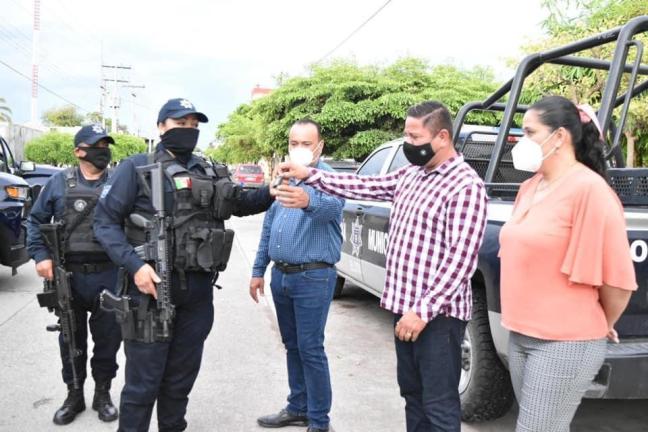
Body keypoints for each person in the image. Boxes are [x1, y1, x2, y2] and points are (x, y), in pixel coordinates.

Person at [277, 101, 488, 431]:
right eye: (406, 135)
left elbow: (460, 260)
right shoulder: (413, 175)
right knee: (413, 395)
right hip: (405, 311)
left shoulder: (464, 186)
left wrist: (422, 311)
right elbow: (364, 186)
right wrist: (310, 175)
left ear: (442, 137)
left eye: (414, 137)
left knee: (438, 404)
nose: (408, 144)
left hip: (436, 317)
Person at [93, 98, 275, 432]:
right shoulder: (136, 167)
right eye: (180, 124)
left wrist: (271, 191)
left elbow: (240, 202)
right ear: (161, 127)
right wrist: (135, 266)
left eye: (194, 125)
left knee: (180, 382)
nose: (189, 130)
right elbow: (104, 223)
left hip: (197, 295)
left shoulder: (208, 169)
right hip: (149, 293)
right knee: (142, 386)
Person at [499, 95, 637, 432]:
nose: (520, 141)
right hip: (520, 334)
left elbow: (618, 282)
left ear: (559, 136)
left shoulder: (590, 191)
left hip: (565, 342)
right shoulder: (530, 187)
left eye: (530, 132)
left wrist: (602, 322)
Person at [250, 119, 344, 432]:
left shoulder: (329, 178)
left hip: (313, 277)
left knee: (311, 348)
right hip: (282, 277)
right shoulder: (284, 176)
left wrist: (308, 201)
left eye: (306, 143)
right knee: (292, 345)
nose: (299, 149)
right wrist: (258, 270)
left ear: (320, 147)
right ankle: (298, 407)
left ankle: (319, 421)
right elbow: (268, 227)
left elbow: (333, 209)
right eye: (294, 143)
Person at [27, 124, 121, 425]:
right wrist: (41, 256)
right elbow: (35, 221)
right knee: (70, 338)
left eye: (106, 145)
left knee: (108, 340)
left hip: (109, 274)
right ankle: (74, 394)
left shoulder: (119, 182)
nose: (103, 151)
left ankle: (102, 393)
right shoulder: (58, 182)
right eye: (96, 146)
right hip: (69, 276)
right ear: (79, 151)